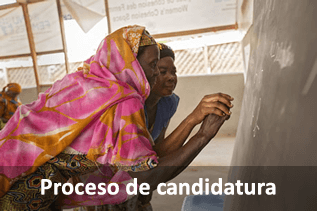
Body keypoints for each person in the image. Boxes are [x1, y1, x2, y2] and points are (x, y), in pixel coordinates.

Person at [0, 25, 233, 210]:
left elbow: (146, 156)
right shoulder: (124, 102)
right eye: (154, 66)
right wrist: (203, 135)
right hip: (25, 188)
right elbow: (146, 176)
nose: (156, 73)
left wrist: (193, 120)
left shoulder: (84, 82)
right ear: (130, 63)